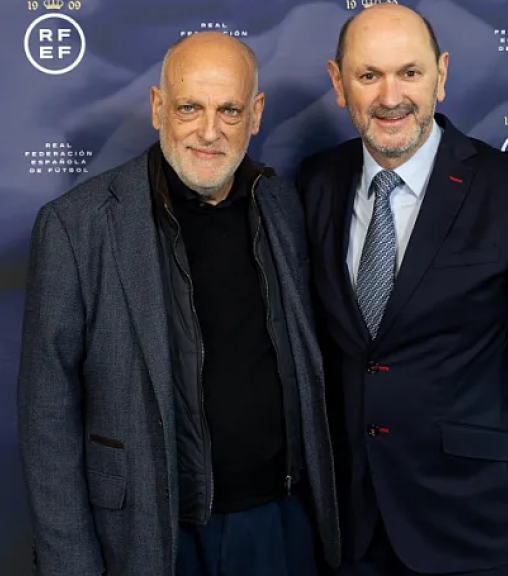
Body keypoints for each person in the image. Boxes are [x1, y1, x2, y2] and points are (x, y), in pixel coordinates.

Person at [17, 32, 340, 576]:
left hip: (278, 524)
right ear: (158, 107)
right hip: (150, 533)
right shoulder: (78, 225)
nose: (208, 131)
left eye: (229, 110)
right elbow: (46, 416)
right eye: (189, 107)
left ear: (256, 115)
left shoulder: (282, 204)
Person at [295, 5, 508, 576]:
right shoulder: (316, 182)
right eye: (368, 75)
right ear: (337, 82)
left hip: (473, 521)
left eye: (409, 72)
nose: (390, 96)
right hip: (353, 526)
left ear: (441, 76)